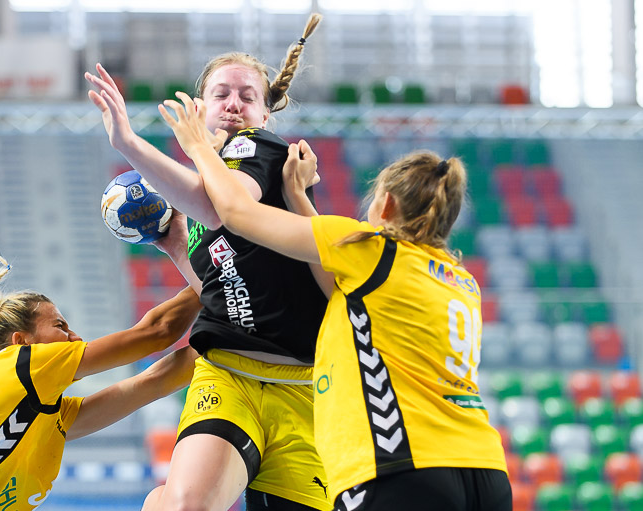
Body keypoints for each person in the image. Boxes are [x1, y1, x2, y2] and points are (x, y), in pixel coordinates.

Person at [159, 92, 513, 511]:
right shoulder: (460, 280)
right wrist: (296, 194)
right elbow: (334, 285)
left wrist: (198, 146)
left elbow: (236, 213)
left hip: (403, 465)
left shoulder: (370, 248)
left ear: (386, 204)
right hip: (485, 468)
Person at [85, 14, 334, 511]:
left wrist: (128, 143)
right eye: (222, 94)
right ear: (201, 105)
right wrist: (176, 247)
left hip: (304, 389)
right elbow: (221, 284)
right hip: (228, 374)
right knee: (189, 507)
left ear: (265, 115)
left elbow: (223, 209)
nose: (234, 105)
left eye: (248, 96)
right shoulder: (203, 181)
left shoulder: (258, 149)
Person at [0, 247, 202, 511]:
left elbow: (155, 382)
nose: (75, 338)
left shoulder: (40, 415)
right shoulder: (20, 365)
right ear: (21, 342)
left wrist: (228, 336)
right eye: (60, 326)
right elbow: (157, 332)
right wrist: (216, 275)